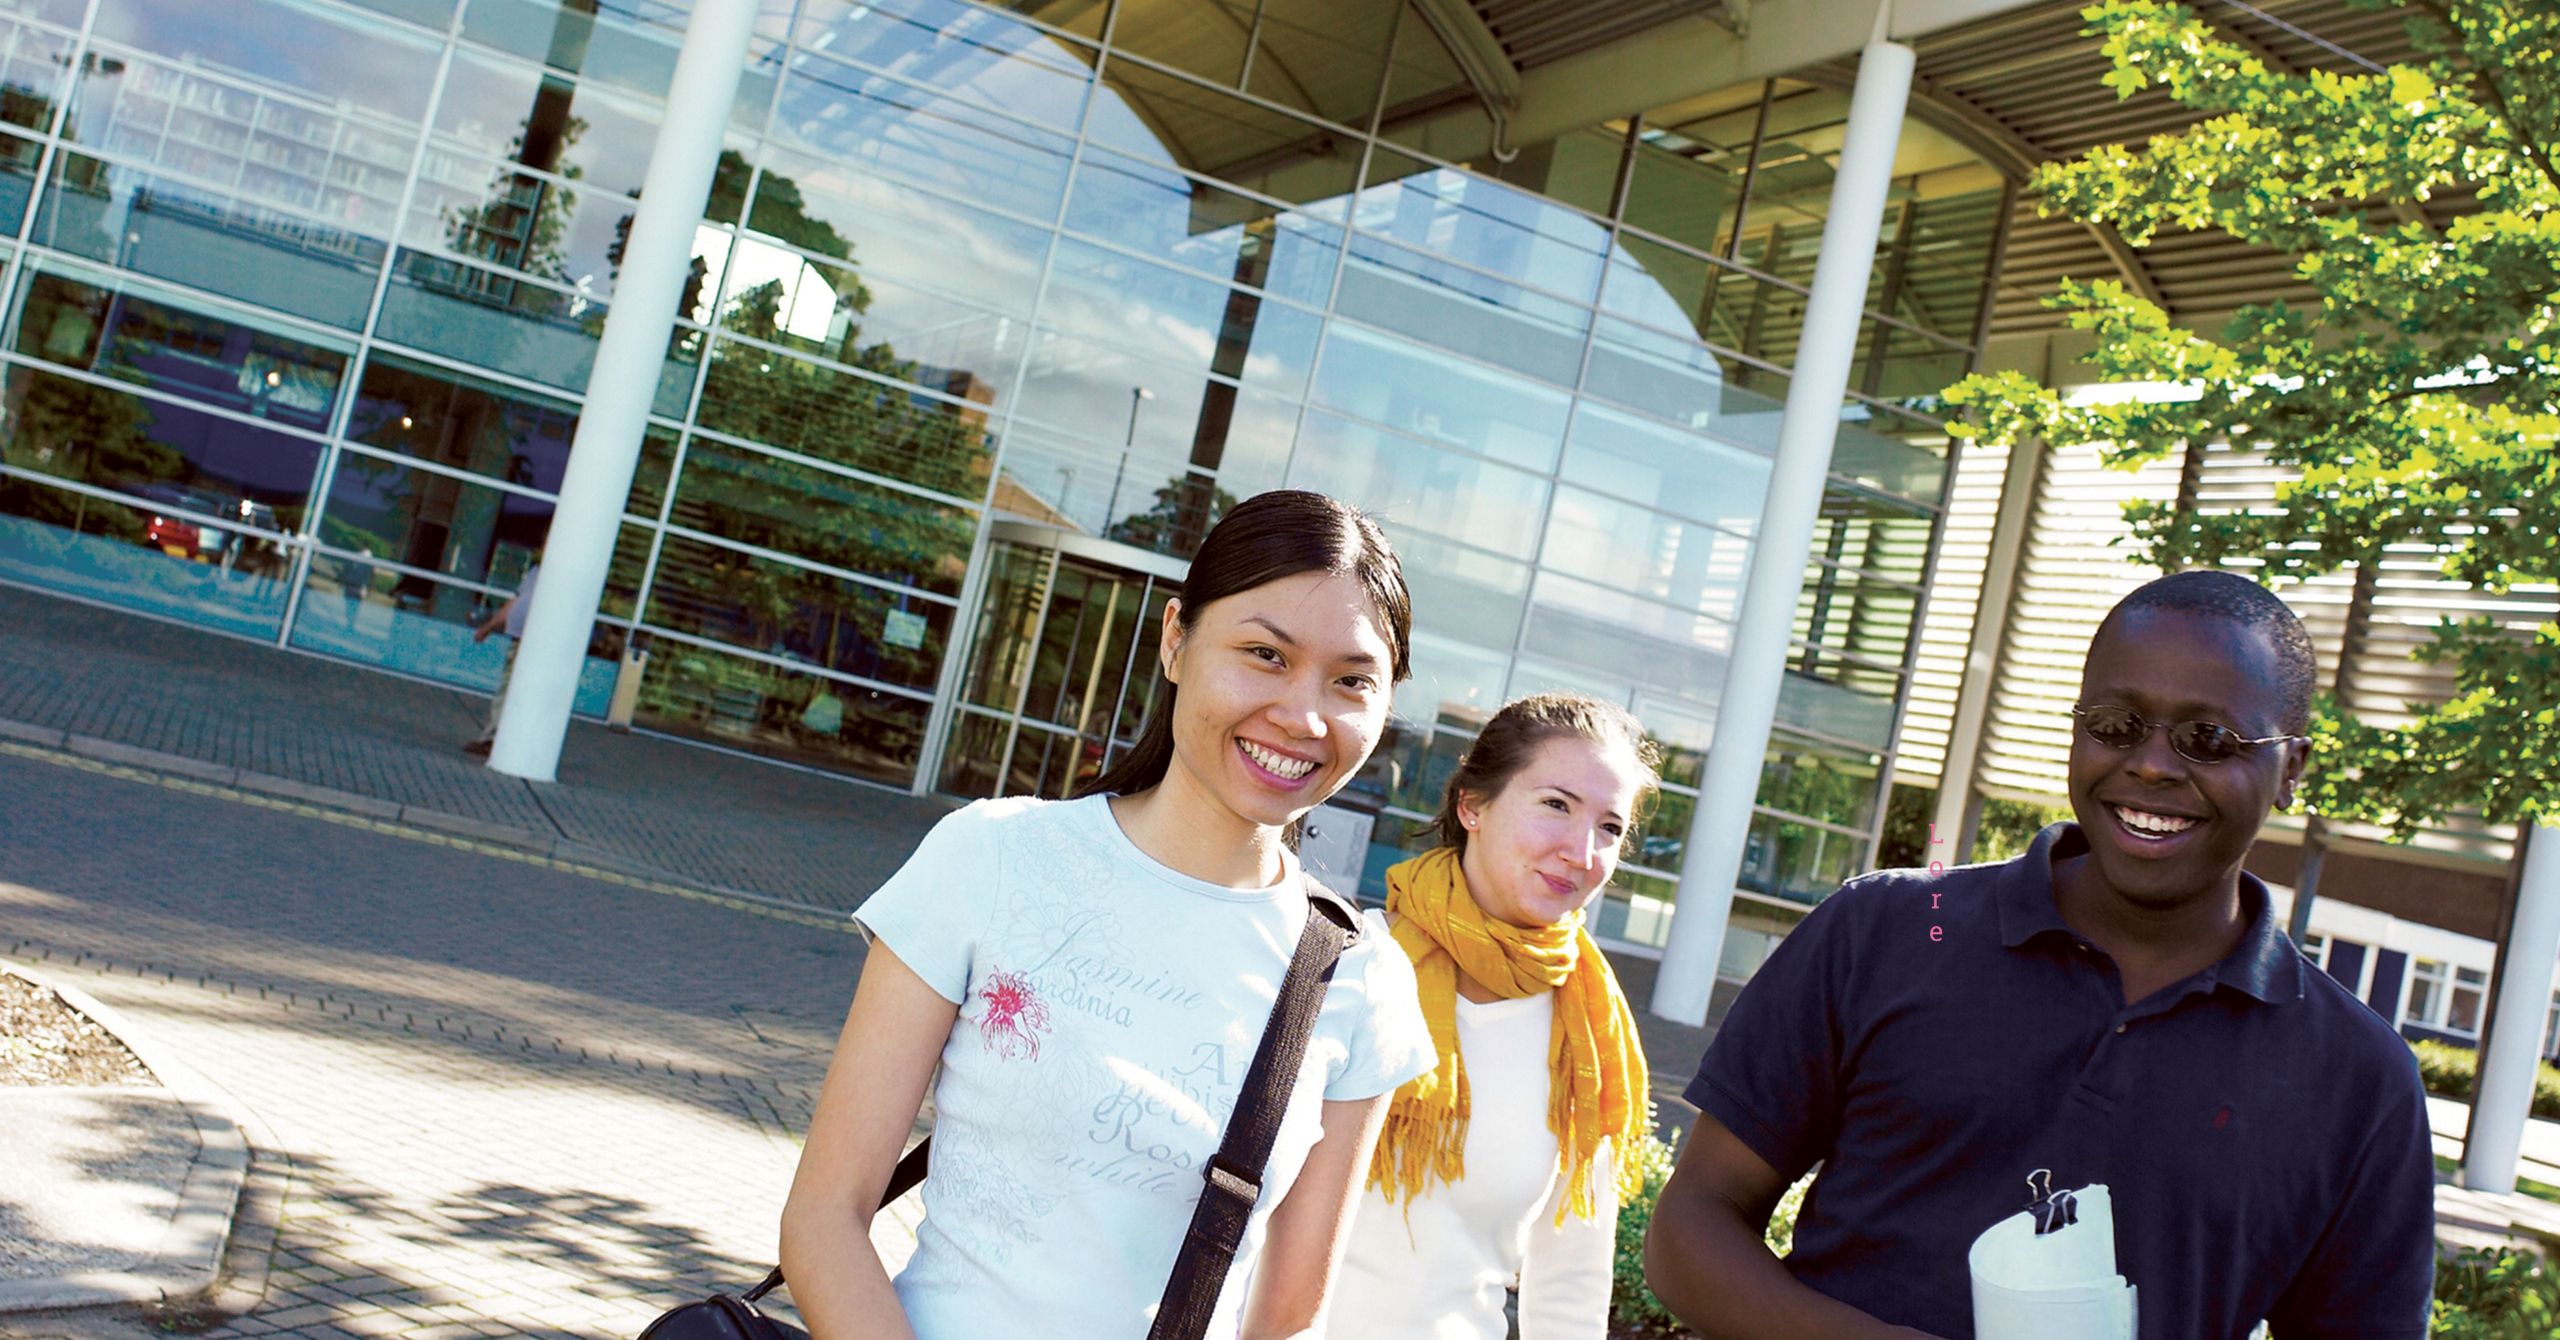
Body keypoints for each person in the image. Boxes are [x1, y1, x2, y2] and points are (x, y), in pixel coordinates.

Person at [1643, 569, 2437, 1339]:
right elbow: (1691, 1228)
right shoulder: (1885, 931)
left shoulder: (2360, 1081)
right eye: (2115, 725)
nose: (2152, 764)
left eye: (2208, 739)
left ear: (2291, 767)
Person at [779, 490, 1438, 1340]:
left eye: (1352, 680)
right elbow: (825, 1219)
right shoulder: (993, 858)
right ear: (1175, 640)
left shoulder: (1359, 975)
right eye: (1265, 655)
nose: (1305, 716)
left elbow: (1284, 1318)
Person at [1327, 693, 1657, 1340]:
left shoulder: (1588, 1030)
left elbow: (1570, 1286)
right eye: (1556, 805)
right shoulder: (1343, 965)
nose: (1583, 852)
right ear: (1471, 805)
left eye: (1611, 827)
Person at [465, 557, 538, 757]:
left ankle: (497, 739)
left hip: (536, 644)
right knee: (507, 689)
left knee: (513, 691)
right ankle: (494, 738)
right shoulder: (536, 571)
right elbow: (512, 603)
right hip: (519, 640)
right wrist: (488, 627)